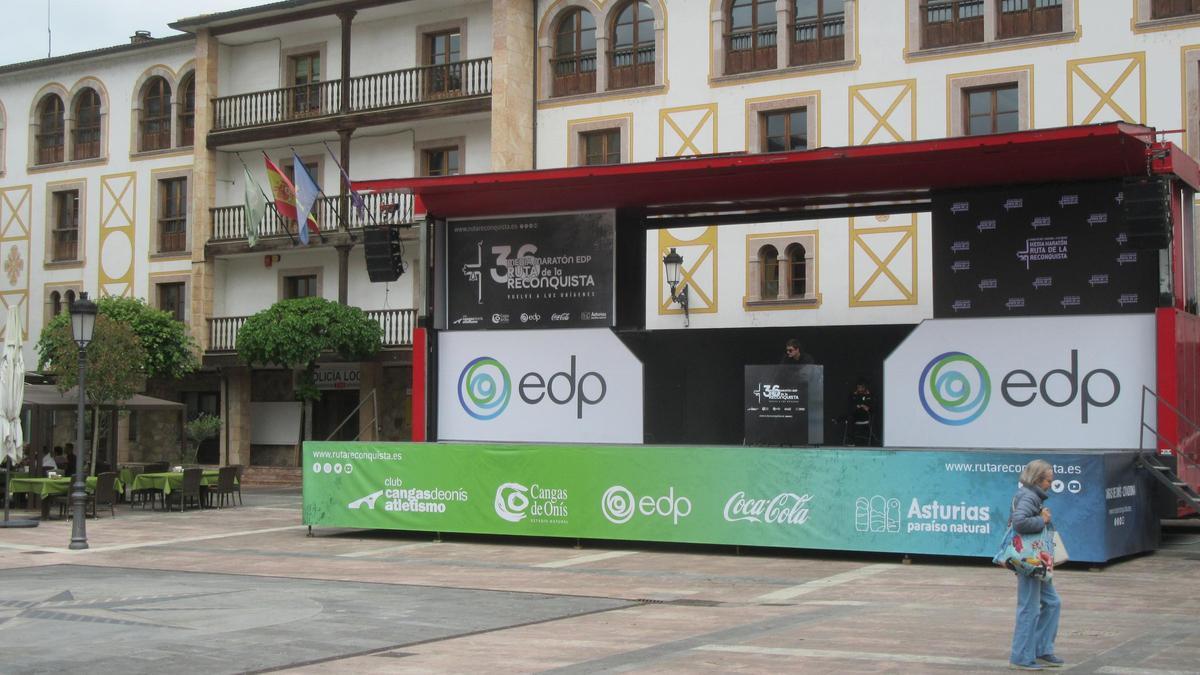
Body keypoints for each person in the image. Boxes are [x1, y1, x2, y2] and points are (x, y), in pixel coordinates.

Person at [1008, 459, 1064, 670]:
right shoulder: (1029, 497)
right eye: (1049, 480)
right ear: (1038, 480)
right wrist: (1043, 520)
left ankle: (1041, 649)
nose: (1051, 484)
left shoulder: (1030, 496)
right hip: (1030, 561)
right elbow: (1019, 522)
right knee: (1029, 608)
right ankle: (1021, 657)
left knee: (1052, 603)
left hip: (1036, 560)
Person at [847, 379, 873, 445]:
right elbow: (850, 406)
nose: (860, 389)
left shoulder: (869, 395)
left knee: (850, 416)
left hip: (865, 416)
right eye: (858, 387)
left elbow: (872, 408)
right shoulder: (854, 395)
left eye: (861, 387)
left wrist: (866, 407)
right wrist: (856, 406)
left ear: (865, 387)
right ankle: (851, 441)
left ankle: (839, 419)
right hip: (856, 415)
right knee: (850, 417)